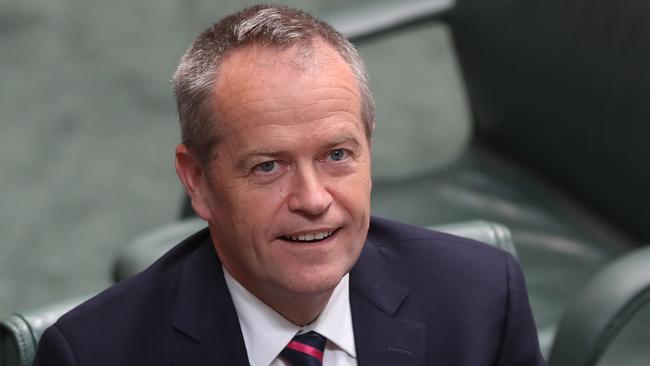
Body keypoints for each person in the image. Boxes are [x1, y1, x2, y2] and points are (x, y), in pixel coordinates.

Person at [35, 4, 544, 366]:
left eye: (337, 155)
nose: (313, 200)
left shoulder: (482, 298)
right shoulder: (91, 355)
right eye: (268, 167)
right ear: (198, 181)